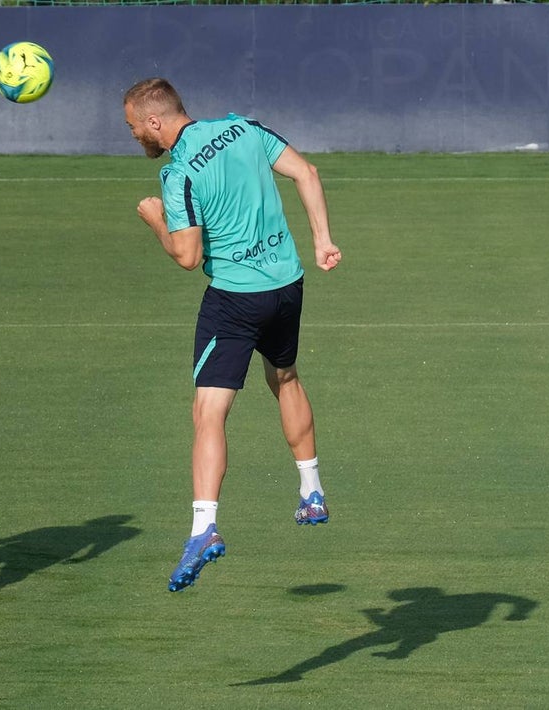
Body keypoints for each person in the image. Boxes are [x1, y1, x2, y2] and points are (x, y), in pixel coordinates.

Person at [122, 78, 342, 592]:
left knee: (209, 412)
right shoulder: (242, 127)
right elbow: (306, 173)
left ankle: (203, 529)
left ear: (156, 122)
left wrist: (155, 219)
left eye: (134, 126)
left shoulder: (178, 174)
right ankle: (311, 490)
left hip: (235, 300)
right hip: (287, 283)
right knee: (284, 376)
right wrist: (323, 240)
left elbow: (187, 256)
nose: (133, 135)